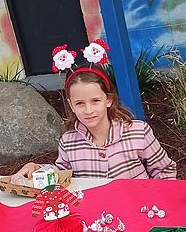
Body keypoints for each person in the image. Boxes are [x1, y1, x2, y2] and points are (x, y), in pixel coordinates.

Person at [18, 64, 177, 179]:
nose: (88, 110)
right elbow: (61, 174)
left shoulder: (138, 132)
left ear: (108, 100)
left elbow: (164, 170)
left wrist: (157, 202)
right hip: (94, 218)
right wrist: (37, 168)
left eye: (95, 101)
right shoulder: (68, 142)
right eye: (80, 103)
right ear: (71, 105)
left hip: (140, 213)